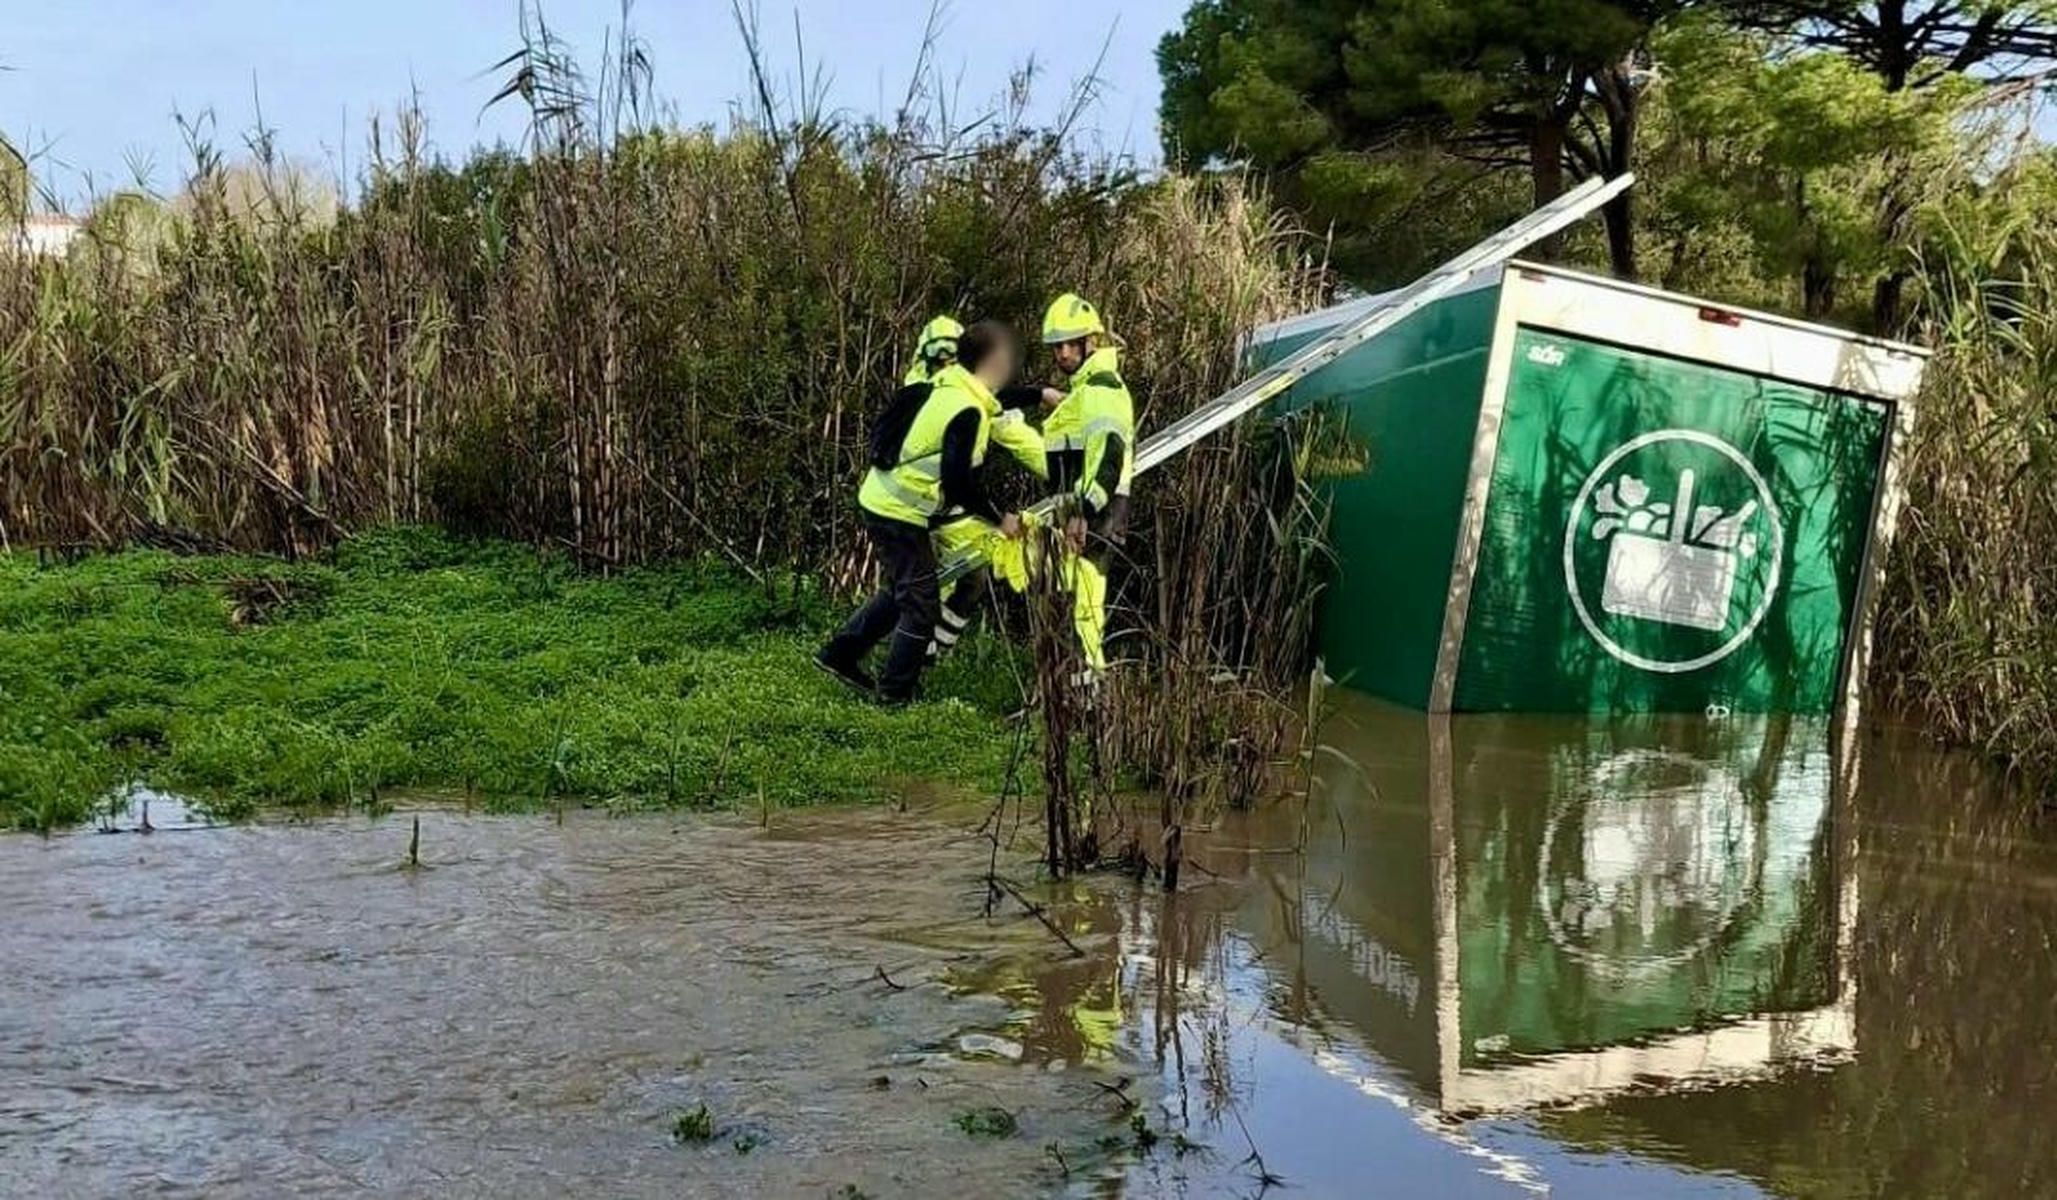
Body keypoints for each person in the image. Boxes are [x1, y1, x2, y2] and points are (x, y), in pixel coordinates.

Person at [816, 319, 1028, 704]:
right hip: (898, 512)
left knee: (904, 591)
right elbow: (958, 483)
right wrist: (1001, 519)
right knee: (922, 604)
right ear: (991, 363)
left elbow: (1000, 400)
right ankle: (894, 695)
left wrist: (1039, 395)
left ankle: (838, 655)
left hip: (888, 503)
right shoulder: (967, 409)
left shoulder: (951, 386)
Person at [1039, 293, 1136, 678]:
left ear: (1090, 340)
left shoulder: (1101, 388)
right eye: (1056, 346)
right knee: (1077, 611)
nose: (1063, 353)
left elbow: (1108, 457)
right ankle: (1076, 693)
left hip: (1096, 516)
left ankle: (1085, 695)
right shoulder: (1086, 390)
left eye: (1070, 343)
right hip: (1085, 515)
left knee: (1082, 612)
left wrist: (1083, 513)